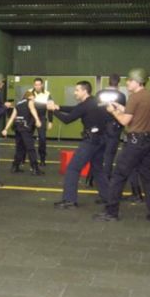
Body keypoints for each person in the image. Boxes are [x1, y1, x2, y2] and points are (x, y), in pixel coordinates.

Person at [94, 68, 150, 223]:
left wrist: (113, 111)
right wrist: (121, 107)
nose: (127, 83)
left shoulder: (134, 97)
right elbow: (137, 115)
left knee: (119, 175)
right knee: (147, 177)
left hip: (135, 143)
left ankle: (111, 212)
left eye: (130, 80)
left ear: (138, 81)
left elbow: (125, 121)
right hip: (149, 142)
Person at [47, 81, 109, 209]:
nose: (75, 93)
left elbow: (67, 119)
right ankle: (107, 197)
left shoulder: (85, 105)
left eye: (77, 90)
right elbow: (76, 109)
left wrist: (53, 111)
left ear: (84, 91)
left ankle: (69, 200)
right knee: (98, 169)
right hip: (101, 140)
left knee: (73, 168)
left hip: (90, 141)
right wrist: (59, 107)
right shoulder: (95, 101)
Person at [1, 91, 43, 176]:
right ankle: (35, 168)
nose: (34, 99)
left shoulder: (18, 104)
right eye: (34, 97)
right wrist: (37, 120)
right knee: (30, 148)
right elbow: (33, 110)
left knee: (19, 148)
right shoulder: (30, 102)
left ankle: (15, 166)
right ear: (30, 96)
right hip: (25, 128)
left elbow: (12, 117)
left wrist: (5, 129)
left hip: (18, 128)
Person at [96, 73, 126, 180]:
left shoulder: (100, 93)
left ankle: (93, 177)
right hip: (114, 127)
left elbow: (95, 109)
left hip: (100, 126)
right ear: (118, 82)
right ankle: (106, 177)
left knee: (98, 152)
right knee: (110, 154)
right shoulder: (121, 96)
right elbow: (122, 111)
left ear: (108, 81)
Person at [31, 78, 54, 166]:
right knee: (26, 138)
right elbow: (23, 105)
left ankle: (42, 159)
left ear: (42, 85)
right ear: (34, 85)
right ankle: (22, 158)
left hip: (41, 117)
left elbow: (50, 108)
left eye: (39, 84)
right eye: (35, 85)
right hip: (30, 117)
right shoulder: (29, 92)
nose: (37, 86)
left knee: (42, 139)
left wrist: (50, 121)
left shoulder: (47, 94)